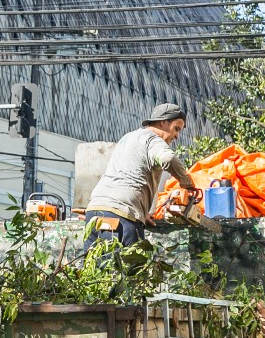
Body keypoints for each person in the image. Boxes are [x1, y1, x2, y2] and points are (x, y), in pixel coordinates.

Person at [82, 103, 197, 253]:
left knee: (94, 270)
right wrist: (186, 182)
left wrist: (142, 215)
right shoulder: (152, 139)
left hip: (95, 210)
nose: (177, 136)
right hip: (121, 215)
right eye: (176, 129)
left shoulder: (129, 137)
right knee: (128, 272)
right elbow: (168, 158)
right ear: (163, 122)